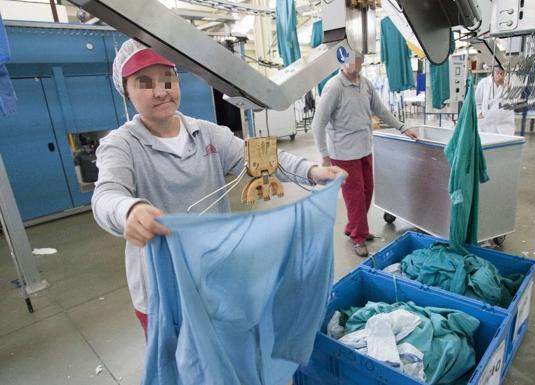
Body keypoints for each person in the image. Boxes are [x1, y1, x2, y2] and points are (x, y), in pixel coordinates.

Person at [92, 39, 345, 336]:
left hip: (217, 275)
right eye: (144, 82)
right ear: (126, 90)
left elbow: (262, 159)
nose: (160, 91)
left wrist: (312, 171)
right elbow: (105, 195)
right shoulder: (121, 145)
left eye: (168, 79)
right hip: (164, 287)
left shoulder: (207, 134)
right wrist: (129, 210)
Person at [311, 53, 418, 257]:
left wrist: (402, 128)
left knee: (368, 190)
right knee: (355, 197)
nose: (354, 63)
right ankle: (358, 237)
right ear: (342, 61)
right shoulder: (334, 87)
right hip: (343, 152)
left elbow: (380, 110)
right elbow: (318, 124)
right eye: (350, 59)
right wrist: (325, 157)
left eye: (358, 58)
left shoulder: (365, 84)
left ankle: (353, 226)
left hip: (364, 148)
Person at [475, 66, 516, 136]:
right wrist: (479, 114)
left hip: (505, 126)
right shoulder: (483, 83)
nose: (500, 74)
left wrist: (504, 85)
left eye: (502, 73)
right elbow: (476, 102)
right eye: (497, 72)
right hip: (486, 126)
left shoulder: (511, 82)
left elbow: (515, 100)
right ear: (493, 72)